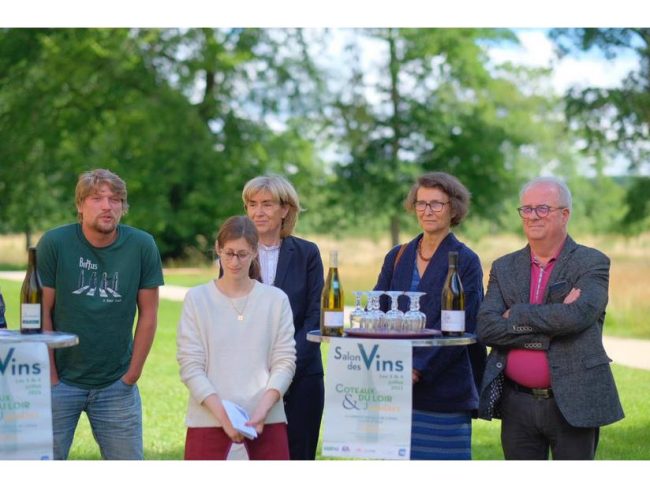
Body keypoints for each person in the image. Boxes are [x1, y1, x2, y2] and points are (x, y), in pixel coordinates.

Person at [477, 176, 624, 460]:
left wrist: (516, 313)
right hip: (516, 402)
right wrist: (555, 322)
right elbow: (486, 328)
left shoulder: (591, 262)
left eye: (542, 208)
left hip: (573, 398)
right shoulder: (504, 267)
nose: (533, 216)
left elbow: (578, 316)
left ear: (564, 214)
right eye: (526, 209)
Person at [37, 168, 164, 460]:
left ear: (123, 207)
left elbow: (149, 314)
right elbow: (40, 311)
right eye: (97, 198)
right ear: (80, 205)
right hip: (59, 381)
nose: (107, 206)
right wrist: (51, 376)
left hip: (116, 383)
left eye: (115, 199)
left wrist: (131, 375)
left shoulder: (142, 245)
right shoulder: (55, 243)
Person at [374, 172, 486, 460]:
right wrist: (388, 365)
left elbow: (462, 326)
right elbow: (378, 312)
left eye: (437, 204)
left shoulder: (467, 261)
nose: (427, 211)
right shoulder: (397, 256)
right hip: (393, 385)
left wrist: (417, 369)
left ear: (453, 209)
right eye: (421, 203)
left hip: (445, 391)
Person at [177, 216, 296, 460]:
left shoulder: (276, 300)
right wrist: (224, 417)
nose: (234, 261)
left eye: (242, 254)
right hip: (209, 421)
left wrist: (262, 410)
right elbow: (190, 366)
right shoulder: (197, 299)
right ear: (218, 249)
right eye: (229, 253)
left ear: (255, 252)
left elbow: (285, 362)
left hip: (266, 421)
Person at [241, 174, 325, 460]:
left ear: (285, 209)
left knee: (299, 458)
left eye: (267, 204)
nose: (258, 212)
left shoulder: (307, 253)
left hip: (303, 376)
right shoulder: (237, 252)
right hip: (249, 377)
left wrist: (284, 368)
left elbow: (315, 317)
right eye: (252, 204)